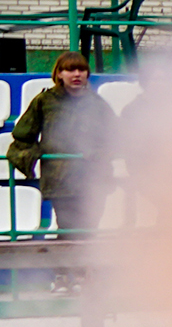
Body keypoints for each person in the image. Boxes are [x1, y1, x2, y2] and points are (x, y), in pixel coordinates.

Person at [7, 50, 115, 234]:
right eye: (70, 70)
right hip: (60, 180)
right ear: (59, 74)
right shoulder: (44, 101)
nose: (76, 75)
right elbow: (23, 135)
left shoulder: (97, 103)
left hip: (93, 179)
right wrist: (32, 153)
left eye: (81, 70)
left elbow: (115, 135)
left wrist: (100, 153)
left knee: (90, 231)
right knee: (68, 231)